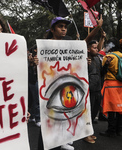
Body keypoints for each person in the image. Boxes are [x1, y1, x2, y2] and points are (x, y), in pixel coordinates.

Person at [38, 15, 103, 150]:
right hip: (48, 88)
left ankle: (63, 141)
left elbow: (85, 42)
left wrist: (81, 62)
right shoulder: (45, 46)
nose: (63, 29)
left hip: (65, 86)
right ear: (52, 29)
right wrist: (35, 62)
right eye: (60, 27)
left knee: (64, 115)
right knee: (48, 122)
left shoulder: (69, 44)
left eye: (65, 27)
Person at [85, 40, 112, 143]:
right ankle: (86, 135)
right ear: (88, 49)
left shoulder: (97, 59)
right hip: (89, 91)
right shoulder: (86, 59)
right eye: (94, 48)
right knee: (88, 113)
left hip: (98, 90)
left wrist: (107, 65)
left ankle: (90, 132)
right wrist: (85, 64)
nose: (97, 49)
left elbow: (102, 73)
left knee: (94, 112)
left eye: (97, 48)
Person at [100, 37, 122, 137]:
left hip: (110, 85)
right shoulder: (121, 55)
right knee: (120, 107)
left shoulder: (108, 56)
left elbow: (102, 72)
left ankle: (111, 130)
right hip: (120, 85)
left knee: (111, 108)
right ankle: (119, 130)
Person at [28, 45, 41, 127]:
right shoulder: (31, 58)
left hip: (39, 80)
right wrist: (32, 63)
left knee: (34, 100)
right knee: (36, 100)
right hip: (33, 81)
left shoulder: (42, 57)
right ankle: (37, 118)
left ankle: (32, 116)